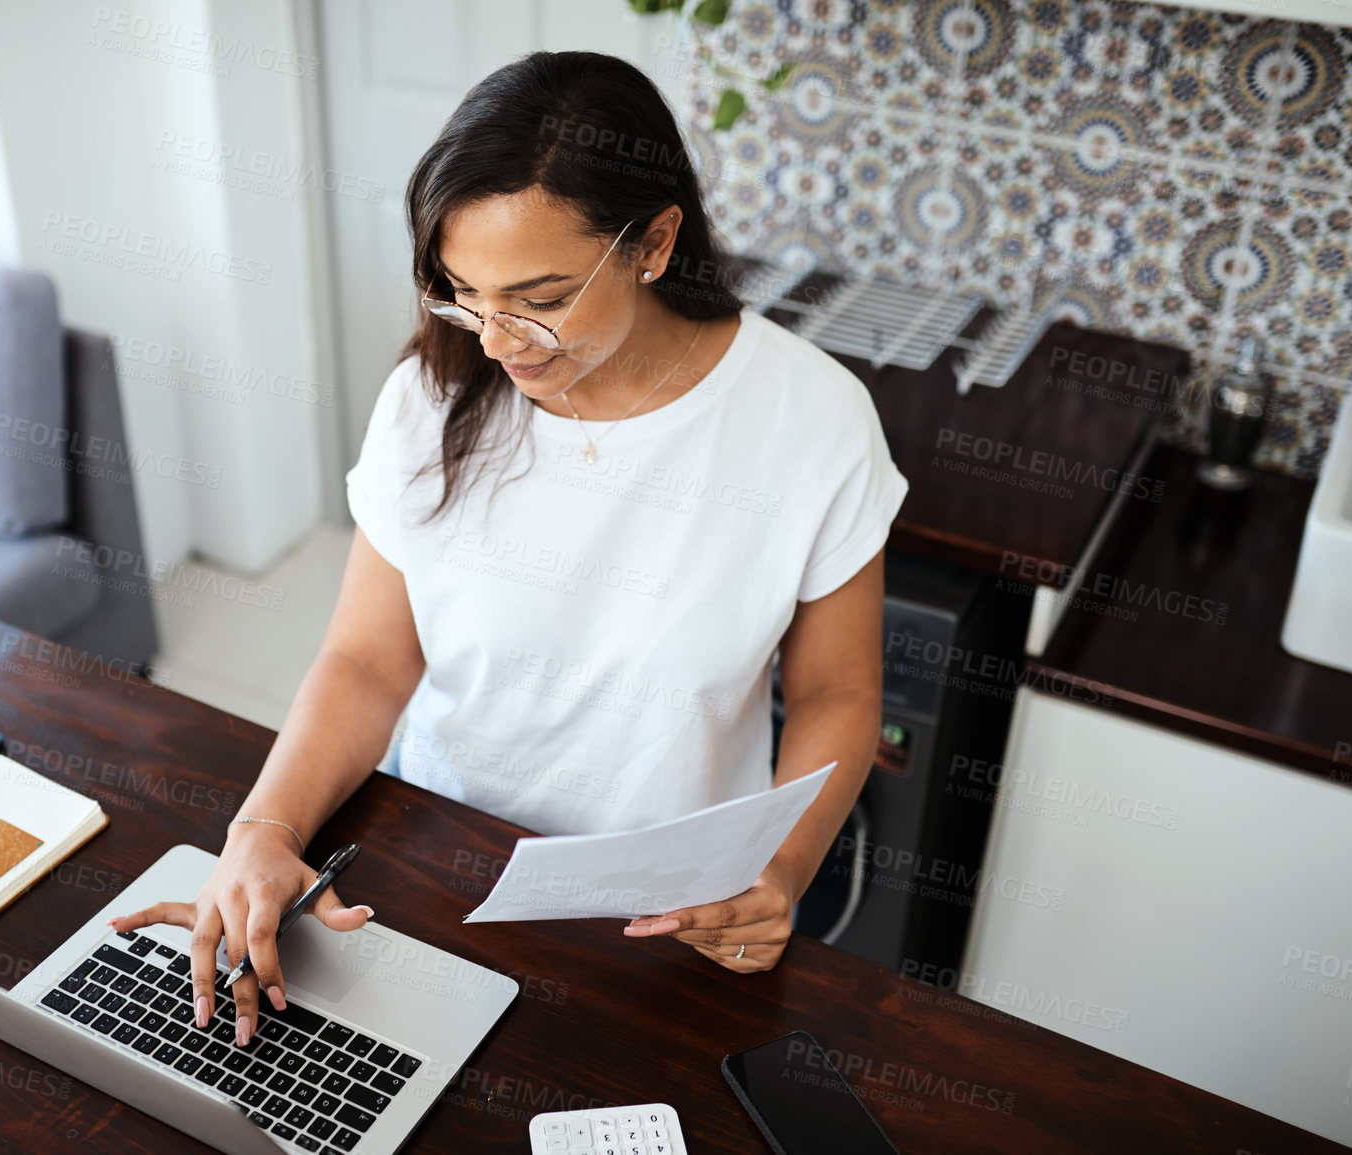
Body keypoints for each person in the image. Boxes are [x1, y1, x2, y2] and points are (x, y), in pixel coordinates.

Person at [109, 50, 908, 1049]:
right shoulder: (431, 395)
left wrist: (779, 874)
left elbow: (838, 694)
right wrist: (261, 831)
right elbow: (367, 659)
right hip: (429, 858)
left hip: (667, 910)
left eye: (541, 296)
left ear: (654, 243)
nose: (497, 342)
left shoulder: (812, 420)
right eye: (463, 293)